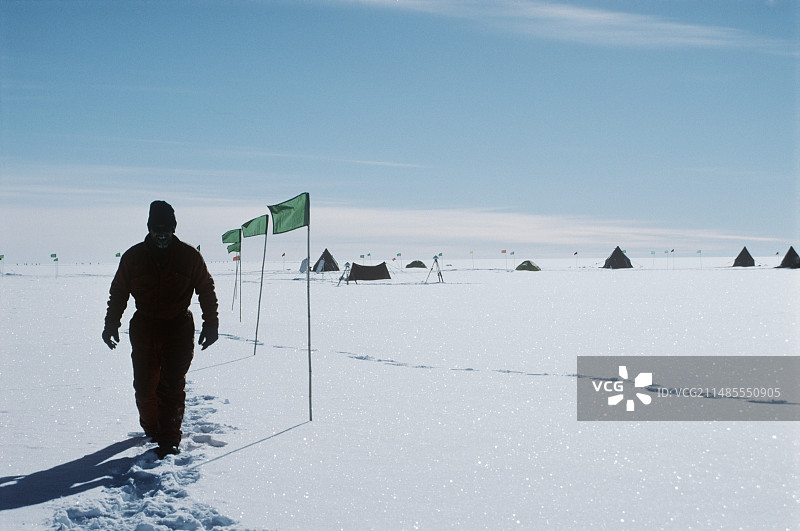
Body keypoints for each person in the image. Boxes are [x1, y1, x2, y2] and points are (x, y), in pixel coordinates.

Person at [102, 201, 219, 458]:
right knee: (145, 387)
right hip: (144, 328)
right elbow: (119, 292)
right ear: (149, 228)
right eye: (157, 229)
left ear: (174, 228)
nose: (162, 234)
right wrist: (111, 323)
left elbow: (206, 289)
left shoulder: (190, 257)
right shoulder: (133, 257)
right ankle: (153, 429)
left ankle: (169, 438)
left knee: (172, 385)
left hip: (178, 327)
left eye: (166, 228)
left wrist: (211, 324)